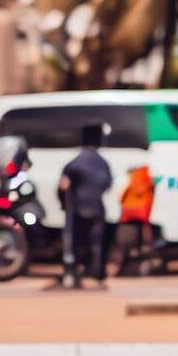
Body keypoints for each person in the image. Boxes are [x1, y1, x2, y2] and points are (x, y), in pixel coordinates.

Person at [58, 123, 112, 290]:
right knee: (96, 243)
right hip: (97, 208)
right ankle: (93, 274)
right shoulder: (102, 163)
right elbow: (108, 183)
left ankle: (73, 272)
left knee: (73, 242)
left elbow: (63, 186)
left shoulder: (75, 162)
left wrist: (64, 203)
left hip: (77, 209)